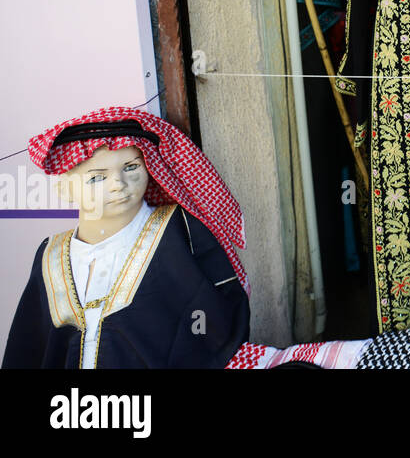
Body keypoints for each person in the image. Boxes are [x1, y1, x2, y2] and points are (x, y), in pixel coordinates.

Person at [3, 107, 249, 369]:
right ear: (65, 189)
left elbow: (217, 323)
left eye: (131, 167)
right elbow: (29, 345)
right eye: (98, 177)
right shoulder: (50, 253)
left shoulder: (180, 231)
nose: (118, 184)